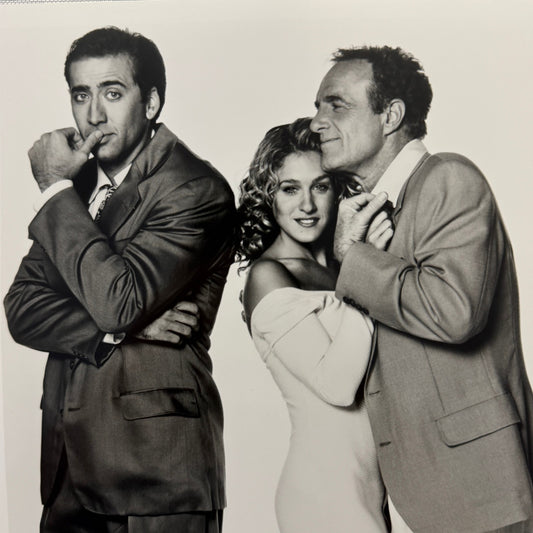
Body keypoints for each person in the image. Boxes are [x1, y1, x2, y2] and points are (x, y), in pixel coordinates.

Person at [4, 27, 235, 532]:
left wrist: (54, 189)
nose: (93, 115)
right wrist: (128, 329)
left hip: (157, 475)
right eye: (80, 95)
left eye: (112, 93)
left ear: (150, 102)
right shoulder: (81, 184)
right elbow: (21, 309)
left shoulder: (194, 188)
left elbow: (116, 303)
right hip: (68, 469)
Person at [310, 45, 533, 532]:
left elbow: (454, 311)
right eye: (318, 106)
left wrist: (353, 256)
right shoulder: (369, 209)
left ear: (390, 116)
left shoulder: (449, 176)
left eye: (336, 105)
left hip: (482, 490)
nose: (317, 122)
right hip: (430, 492)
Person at [237, 117, 394, 533]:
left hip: (372, 490)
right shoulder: (268, 275)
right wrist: (361, 264)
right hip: (323, 493)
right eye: (290, 189)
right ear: (268, 196)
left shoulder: (343, 266)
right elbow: (337, 384)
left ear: (338, 190)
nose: (306, 206)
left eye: (320, 187)